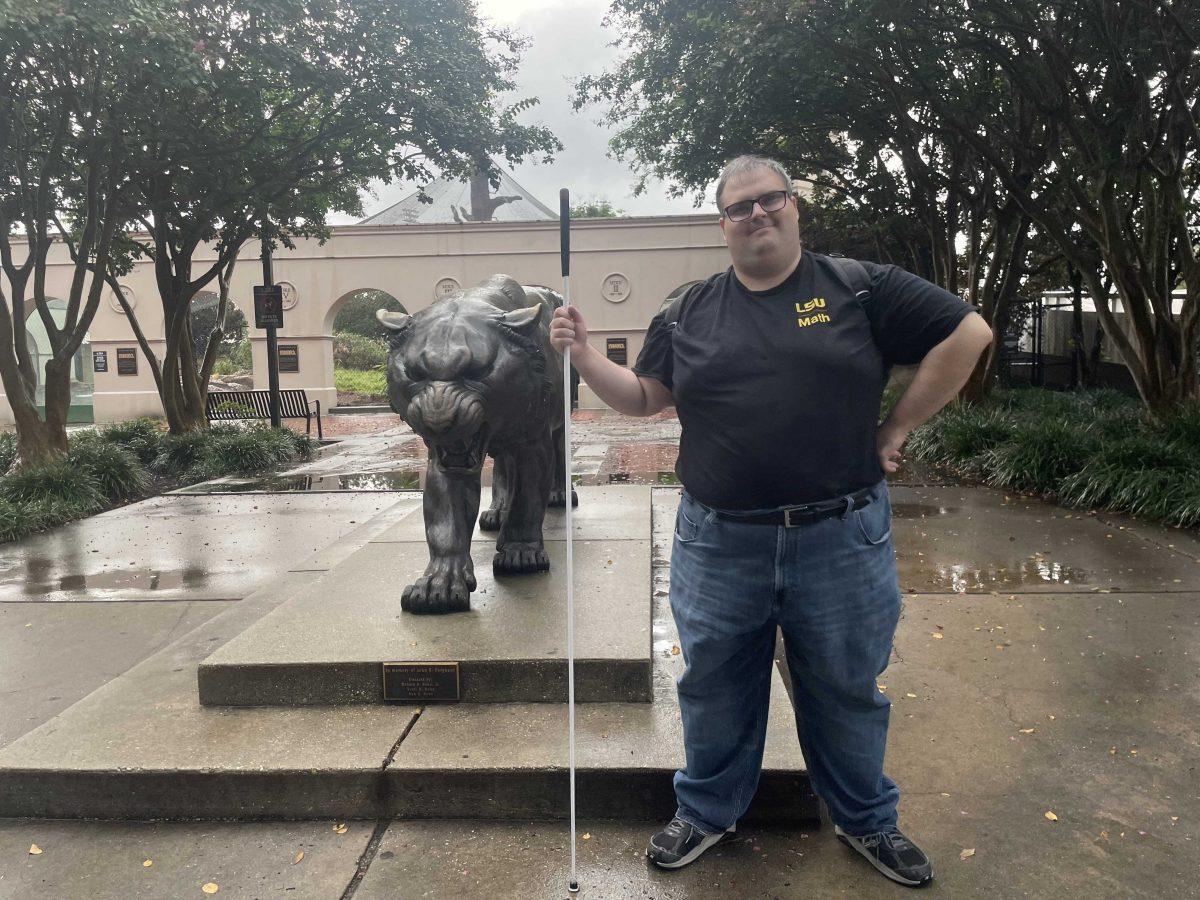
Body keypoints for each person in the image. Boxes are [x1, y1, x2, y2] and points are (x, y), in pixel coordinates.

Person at [549, 154, 993, 888]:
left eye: (769, 200)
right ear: (722, 225)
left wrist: (898, 429)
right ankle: (708, 810)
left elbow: (968, 335)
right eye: (739, 207)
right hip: (720, 540)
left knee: (847, 684)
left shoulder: (860, 287)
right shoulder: (690, 308)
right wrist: (586, 354)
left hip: (842, 537)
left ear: (794, 208)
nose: (756, 214)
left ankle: (865, 819)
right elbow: (642, 398)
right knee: (716, 683)